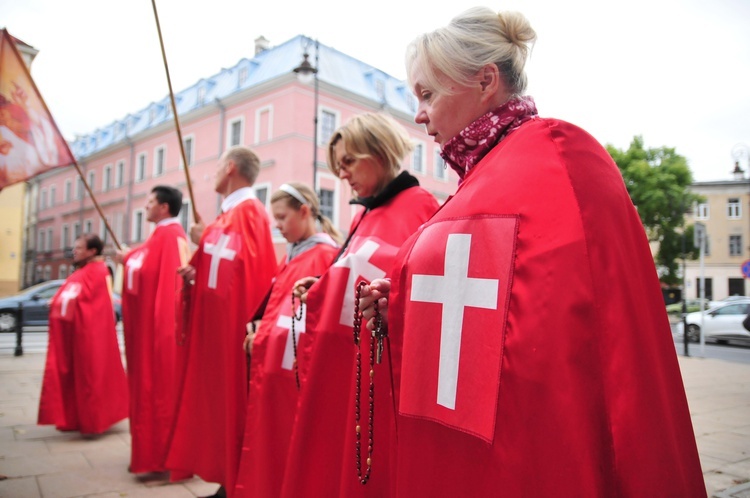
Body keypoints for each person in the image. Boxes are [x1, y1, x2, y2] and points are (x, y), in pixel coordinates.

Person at [358, 7, 706, 497]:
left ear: (485, 81)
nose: (419, 114)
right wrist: (400, 300)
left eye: (428, 94)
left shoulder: (562, 155)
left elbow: (558, 313)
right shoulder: (478, 177)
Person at [281, 113, 439, 498]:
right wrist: (319, 286)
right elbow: (350, 276)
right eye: (338, 166)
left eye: (348, 161)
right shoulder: (365, 212)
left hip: (379, 372)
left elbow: (411, 288)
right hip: (345, 362)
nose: (342, 174)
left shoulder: (420, 206)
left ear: (377, 151)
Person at [165, 146, 277, 498]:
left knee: (236, 405)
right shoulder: (227, 217)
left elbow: (248, 271)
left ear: (230, 168)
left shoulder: (249, 212)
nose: (213, 174)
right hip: (214, 333)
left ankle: (236, 482)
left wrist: (205, 239)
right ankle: (226, 477)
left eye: (216, 167)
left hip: (232, 333)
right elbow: (222, 270)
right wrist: (195, 271)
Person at [233, 183, 341, 498]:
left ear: (304, 211)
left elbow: (306, 320)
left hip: (290, 372)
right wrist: (258, 329)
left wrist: (264, 340)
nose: (278, 226)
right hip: (275, 365)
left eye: (282, 218)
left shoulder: (323, 254)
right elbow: (276, 309)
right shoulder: (295, 253)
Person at [114, 186, 190, 475]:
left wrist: (164, 331)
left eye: (149, 202)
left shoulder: (170, 236)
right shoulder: (159, 235)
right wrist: (129, 258)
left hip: (158, 333)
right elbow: (144, 265)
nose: (145, 207)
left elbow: (169, 285)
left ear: (164, 208)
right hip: (148, 332)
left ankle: (162, 459)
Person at [38, 234, 128, 435]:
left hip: (89, 335)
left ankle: (93, 421)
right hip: (77, 333)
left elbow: (89, 301)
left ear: (92, 251)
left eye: (79, 247)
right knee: (77, 377)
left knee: (90, 377)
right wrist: (57, 302)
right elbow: (71, 294)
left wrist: (59, 303)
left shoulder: (98, 270)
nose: (74, 251)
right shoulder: (84, 270)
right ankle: (76, 418)